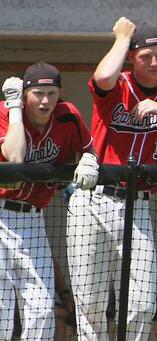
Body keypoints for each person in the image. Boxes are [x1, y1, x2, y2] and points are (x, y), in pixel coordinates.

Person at [68, 17, 157, 341]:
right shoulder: (116, 85)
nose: (155, 62)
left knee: (142, 304)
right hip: (93, 200)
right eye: (146, 56)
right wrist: (122, 38)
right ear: (132, 57)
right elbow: (102, 76)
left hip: (137, 204)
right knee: (90, 304)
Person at [0, 62, 97, 341]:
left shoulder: (68, 116)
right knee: (2, 314)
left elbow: (90, 151)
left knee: (42, 309)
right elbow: (15, 157)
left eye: (51, 93)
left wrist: (89, 159)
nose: (45, 101)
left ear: (60, 93)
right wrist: (15, 108)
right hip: (1, 214)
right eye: (38, 94)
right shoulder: (5, 111)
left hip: (34, 218)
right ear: (24, 94)